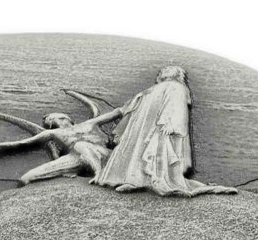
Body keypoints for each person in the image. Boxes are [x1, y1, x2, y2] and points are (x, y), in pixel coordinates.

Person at [94, 66, 237, 196]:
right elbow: (175, 108)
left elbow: (176, 107)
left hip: (152, 128)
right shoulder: (169, 88)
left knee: (149, 154)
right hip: (149, 127)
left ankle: (137, 180)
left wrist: (171, 124)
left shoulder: (165, 89)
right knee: (146, 154)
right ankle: (135, 180)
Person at [0, 108, 124, 186]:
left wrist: (137, 102)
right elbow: (20, 144)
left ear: (65, 118)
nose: (51, 122)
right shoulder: (53, 133)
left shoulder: (90, 123)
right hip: (75, 159)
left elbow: (119, 111)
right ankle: (98, 173)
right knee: (26, 178)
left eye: (52, 118)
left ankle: (99, 174)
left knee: (82, 145)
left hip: (104, 153)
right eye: (49, 122)